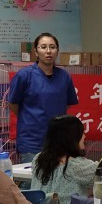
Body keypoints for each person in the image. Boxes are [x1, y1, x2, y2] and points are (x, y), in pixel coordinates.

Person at [8, 32, 78, 162]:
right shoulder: (24, 76)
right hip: (32, 141)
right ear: (36, 51)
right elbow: (13, 103)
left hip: (58, 141)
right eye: (43, 47)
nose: (48, 51)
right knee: (32, 180)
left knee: (57, 179)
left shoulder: (64, 76)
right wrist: (29, 117)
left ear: (57, 50)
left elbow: (67, 103)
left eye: (52, 47)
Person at [32, 115, 98, 204]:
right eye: (81, 133)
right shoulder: (77, 165)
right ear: (72, 138)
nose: (84, 136)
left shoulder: (37, 159)